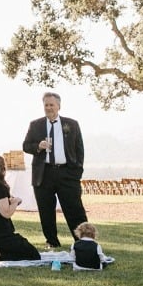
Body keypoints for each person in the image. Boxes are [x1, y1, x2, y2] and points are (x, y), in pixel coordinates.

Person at [22, 92, 88, 249]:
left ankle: (84, 241)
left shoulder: (71, 124)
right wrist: (38, 146)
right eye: (46, 105)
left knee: (75, 209)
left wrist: (76, 172)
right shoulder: (35, 124)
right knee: (46, 211)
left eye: (52, 104)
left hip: (67, 173)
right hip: (43, 173)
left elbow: (80, 150)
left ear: (59, 106)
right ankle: (52, 242)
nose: (49, 108)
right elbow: (26, 146)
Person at [0, 156, 42, 262]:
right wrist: (16, 202)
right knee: (33, 254)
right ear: (2, 169)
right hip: (0, 235)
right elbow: (6, 213)